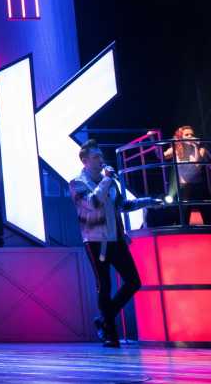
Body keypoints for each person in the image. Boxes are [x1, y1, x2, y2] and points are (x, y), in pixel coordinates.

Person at [70, 139, 161, 348]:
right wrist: (107, 180)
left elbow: (122, 205)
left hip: (116, 239)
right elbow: (93, 203)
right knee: (104, 286)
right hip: (95, 241)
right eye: (96, 157)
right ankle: (111, 335)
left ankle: (103, 320)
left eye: (101, 156)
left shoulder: (109, 182)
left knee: (133, 281)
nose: (101, 160)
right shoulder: (77, 183)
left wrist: (148, 201)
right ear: (85, 161)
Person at [162, 125, 210, 225]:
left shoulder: (201, 149)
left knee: (207, 211)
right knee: (183, 215)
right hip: (183, 187)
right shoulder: (176, 148)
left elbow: (197, 165)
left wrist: (195, 146)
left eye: (191, 134)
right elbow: (161, 156)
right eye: (186, 135)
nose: (190, 136)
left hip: (198, 186)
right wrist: (152, 140)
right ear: (181, 137)